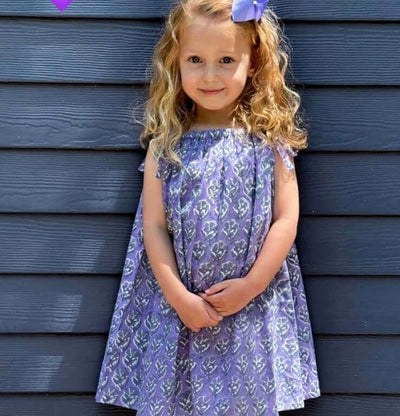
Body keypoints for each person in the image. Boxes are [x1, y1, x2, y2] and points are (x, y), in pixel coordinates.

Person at [95, 0, 321, 414]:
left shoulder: (270, 143)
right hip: (176, 307)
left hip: (250, 305)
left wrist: (250, 287)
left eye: (226, 60)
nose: (210, 75)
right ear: (175, 61)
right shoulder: (166, 145)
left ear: (253, 62)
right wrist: (180, 298)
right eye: (195, 59)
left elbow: (286, 220)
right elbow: (154, 227)